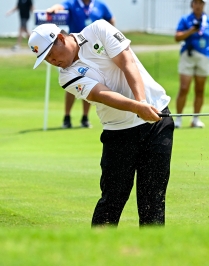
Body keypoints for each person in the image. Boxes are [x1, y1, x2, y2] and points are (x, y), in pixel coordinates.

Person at [28, 20, 174, 227]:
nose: (51, 61)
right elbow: (101, 94)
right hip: (119, 132)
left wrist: (142, 103)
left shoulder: (99, 29)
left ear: (61, 38)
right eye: (45, 59)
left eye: (51, 54)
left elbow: (127, 62)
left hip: (157, 122)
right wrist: (137, 108)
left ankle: (153, 256)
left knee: (153, 200)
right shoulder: (66, 77)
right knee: (112, 201)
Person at [46, 0, 116, 129]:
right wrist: (53, 9)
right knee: (72, 87)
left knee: (91, 84)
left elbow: (111, 20)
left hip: (91, 52)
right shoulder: (73, 3)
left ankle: (85, 117)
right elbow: (60, 7)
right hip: (71, 52)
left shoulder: (100, 5)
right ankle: (67, 117)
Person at [174, 0, 209, 128]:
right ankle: (178, 119)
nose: (198, 5)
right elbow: (177, 37)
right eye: (196, 3)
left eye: (200, 3)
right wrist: (191, 31)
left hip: (204, 56)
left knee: (200, 89)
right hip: (188, 55)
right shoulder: (185, 19)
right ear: (192, 5)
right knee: (184, 88)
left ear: (204, 5)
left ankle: (196, 119)